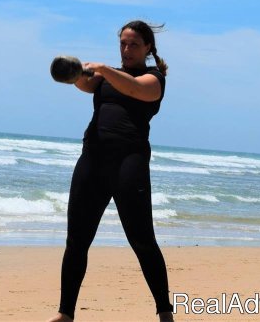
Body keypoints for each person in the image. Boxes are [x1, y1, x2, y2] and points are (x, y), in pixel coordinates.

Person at [48, 20, 174, 322]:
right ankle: (65, 313)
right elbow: (84, 82)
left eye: (133, 44)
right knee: (76, 240)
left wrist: (104, 69)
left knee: (142, 240)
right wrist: (76, 72)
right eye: (123, 43)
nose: (127, 49)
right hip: (93, 158)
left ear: (147, 48)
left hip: (128, 162)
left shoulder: (153, 78)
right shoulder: (105, 77)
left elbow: (133, 89)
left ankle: (165, 312)